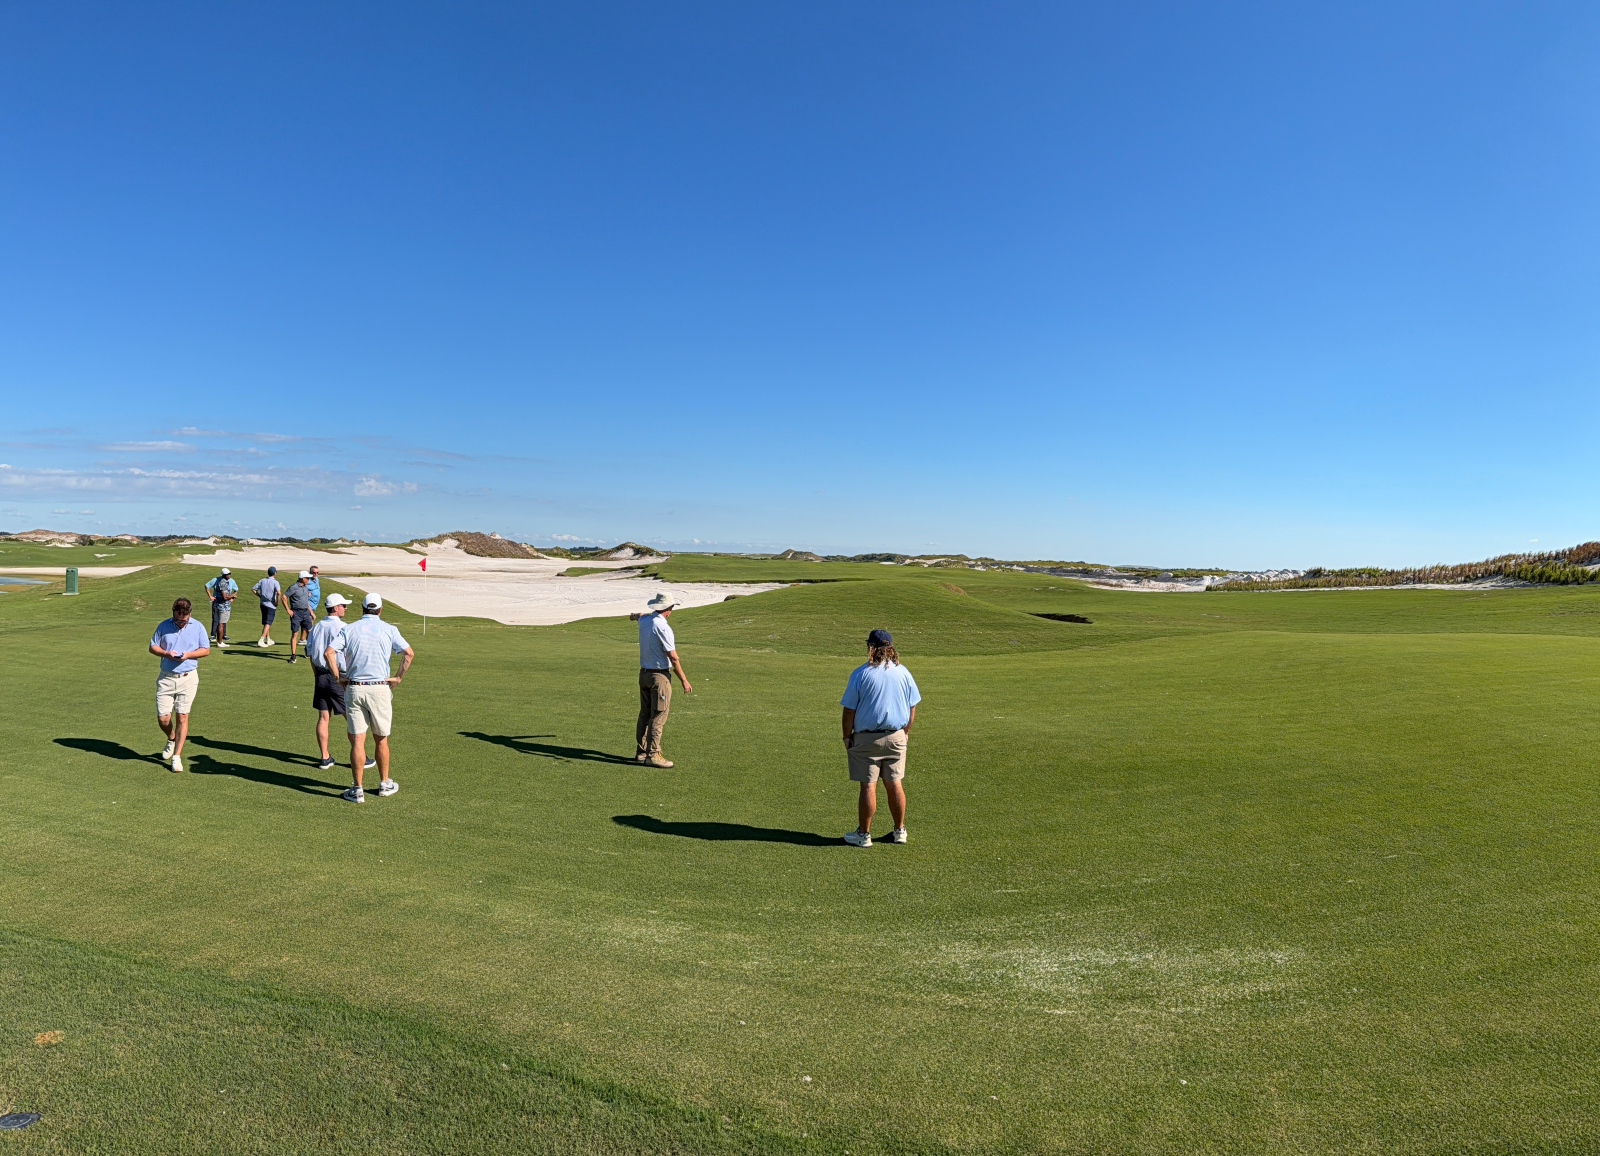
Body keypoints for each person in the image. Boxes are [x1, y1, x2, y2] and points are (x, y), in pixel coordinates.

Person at [839, 629, 921, 848]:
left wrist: (847, 737)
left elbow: (849, 711)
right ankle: (899, 830)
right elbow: (912, 706)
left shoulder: (860, 674)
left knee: (868, 786)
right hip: (896, 737)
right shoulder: (903, 672)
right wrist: (906, 731)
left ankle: (863, 835)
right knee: (895, 784)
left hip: (867, 740)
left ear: (871, 648)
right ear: (890, 648)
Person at [332, 593, 413, 803]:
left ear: (362, 608)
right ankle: (384, 784)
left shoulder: (348, 629)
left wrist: (338, 677)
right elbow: (408, 653)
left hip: (355, 688)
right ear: (380, 609)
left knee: (358, 741)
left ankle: (357, 789)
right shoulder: (389, 629)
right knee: (381, 739)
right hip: (379, 688)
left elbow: (328, 652)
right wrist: (398, 678)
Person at [149, 597, 211, 774]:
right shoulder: (163, 626)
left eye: (184, 620)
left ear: (190, 614)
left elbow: (205, 650)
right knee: (163, 719)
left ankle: (176, 756)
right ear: (173, 613)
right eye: (177, 619)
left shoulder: (197, 626)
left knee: (182, 717)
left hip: (188, 678)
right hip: (166, 678)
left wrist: (189, 655)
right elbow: (152, 647)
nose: (181, 623)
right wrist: (166, 653)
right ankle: (171, 737)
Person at [630, 592, 692, 767]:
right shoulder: (663, 627)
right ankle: (653, 755)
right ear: (668, 609)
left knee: (645, 713)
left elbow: (639, 616)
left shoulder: (645, 620)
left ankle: (641, 752)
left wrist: (633, 616)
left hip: (644, 675)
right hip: (659, 677)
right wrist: (684, 681)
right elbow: (673, 658)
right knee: (658, 715)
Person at [306, 592, 352, 770]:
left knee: (323, 717)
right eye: (343, 605)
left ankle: (325, 757)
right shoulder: (344, 628)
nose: (345, 608)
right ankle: (360, 757)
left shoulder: (316, 627)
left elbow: (310, 654)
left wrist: (316, 674)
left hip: (320, 675)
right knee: (351, 718)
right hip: (337, 677)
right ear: (335, 608)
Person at [285, 570, 317, 664]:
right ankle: (293, 655)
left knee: (309, 632)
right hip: (296, 612)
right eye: (307, 578)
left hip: (305, 612)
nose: (308, 579)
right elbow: (284, 597)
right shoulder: (293, 587)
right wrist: (288, 610)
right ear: (302, 578)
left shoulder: (305, 588)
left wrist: (311, 612)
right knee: (295, 634)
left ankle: (307, 650)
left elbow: (306, 602)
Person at [205, 566, 237, 647]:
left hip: (221, 605)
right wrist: (233, 595)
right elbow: (225, 597)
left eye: (229, 573)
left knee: (221, 623)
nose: (229, 575)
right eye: (227, 574)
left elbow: (234, 590)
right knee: (220, 623)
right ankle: (219, 642)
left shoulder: (225, 581)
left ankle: (221, 640)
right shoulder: (223, 583)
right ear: (223, 575)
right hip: (222, 606)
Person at [252, 566, 282, 647]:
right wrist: (277, 602)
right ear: (275, 573)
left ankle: (268, 639)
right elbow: (278, 593)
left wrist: (260, 596)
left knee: (266, 622)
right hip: (271, 605)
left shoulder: (262, 580)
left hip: (263, 604)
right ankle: (261, 640)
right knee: (268, 623)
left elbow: (254, 589)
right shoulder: (275, 582)